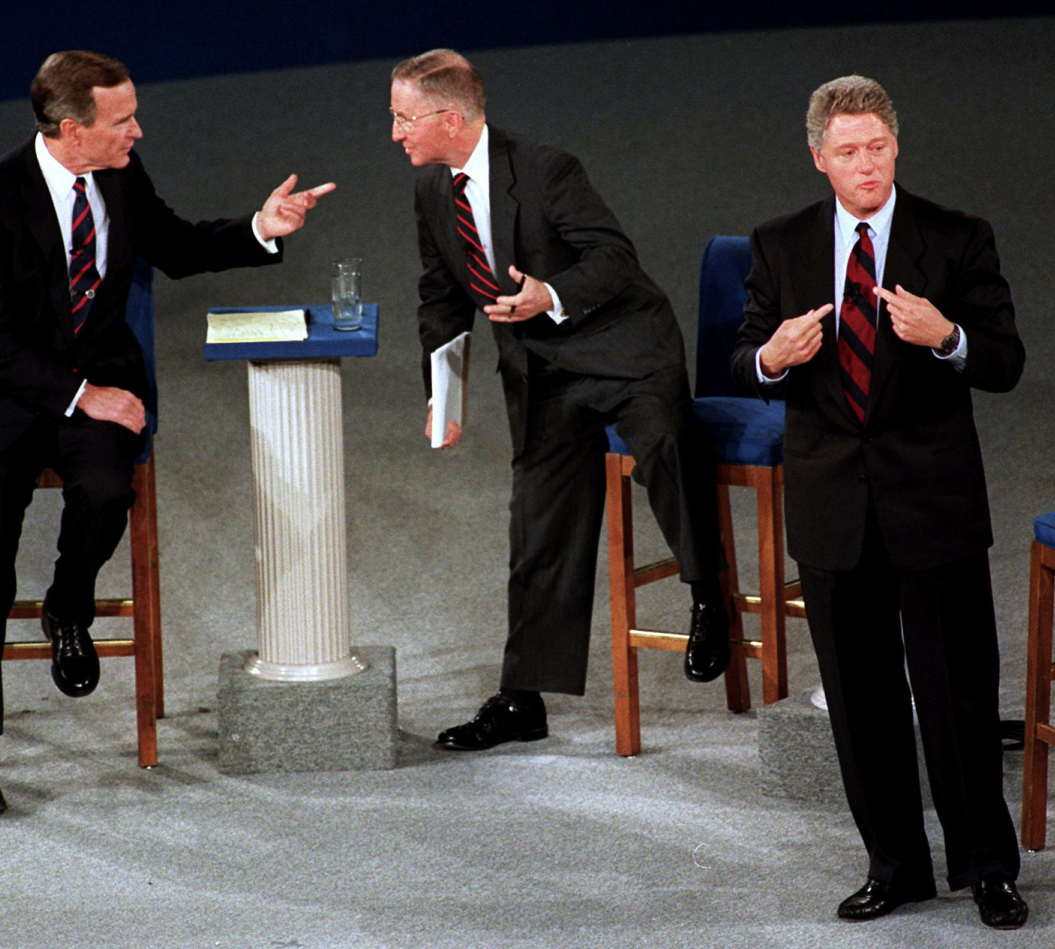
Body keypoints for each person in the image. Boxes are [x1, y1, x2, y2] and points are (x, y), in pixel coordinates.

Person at [0, 50, 333, 817]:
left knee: (106, 488)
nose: (138, 131)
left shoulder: (119, 172)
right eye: (122, 121)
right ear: (68, 130)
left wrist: (262, 227)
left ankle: (68, 606)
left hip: (99, 384)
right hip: (1, 400)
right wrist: (84, 395)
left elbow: (177, 245)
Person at [732, 75, 1027, 929]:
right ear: (818, 157)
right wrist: (774, 357)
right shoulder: (780, 244)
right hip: (832, 505)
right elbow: (741, 355)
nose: (866, 165)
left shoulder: (957, 238)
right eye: (848, 151)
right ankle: (895, 865)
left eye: (879, 148)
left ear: (896, 147)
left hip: (931, 503)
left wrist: (950, 338)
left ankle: (986, 867)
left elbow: (1004, 361)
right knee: (860, 703)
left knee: (957, 696)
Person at [390, 49, 728, 752]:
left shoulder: (545, 169)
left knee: (664, 443)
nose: (394, 133)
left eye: (402, 118)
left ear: (451, 119)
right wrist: (442, 394)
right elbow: (441, 296)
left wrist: (549, 292)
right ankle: (522, 700)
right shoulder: (432, 190)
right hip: (544, 371)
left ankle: (708, 596)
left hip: (622, 349)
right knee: (537, 521)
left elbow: (614, 257)